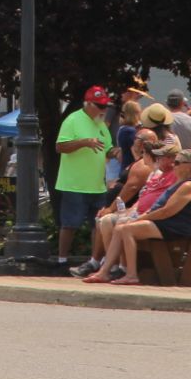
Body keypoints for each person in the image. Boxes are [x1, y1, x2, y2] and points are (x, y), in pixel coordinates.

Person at [79, 143, 186, 282]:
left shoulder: (176, 176)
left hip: (162, 222)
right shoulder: (160, 175)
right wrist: (129, 212)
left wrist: (139, 216)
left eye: (161, 156)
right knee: (108, 221)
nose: (157, 159)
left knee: (122, 225)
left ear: (173, 159)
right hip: (146, 215)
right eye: (157, 156)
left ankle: (125, 270)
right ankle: (110, 269)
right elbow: (143, 199)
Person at [54, 85, 115, 262]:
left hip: (97, 185)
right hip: (74, 184)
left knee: (98, 225)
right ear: (87, 104)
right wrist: (85, 142)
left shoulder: (101, 124)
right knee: (70, 224)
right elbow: (60, 146)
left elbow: (107, 148)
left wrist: (115, 152)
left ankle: (94, 261)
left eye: (105, 106)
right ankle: (62, 260)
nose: (103, 110)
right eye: (100, 106)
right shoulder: (72, 120)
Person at [164, 91, 191, 169]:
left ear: (167, 104)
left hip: (166, 164)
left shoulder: (162, 120)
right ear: (182, 103)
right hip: (185, 164)